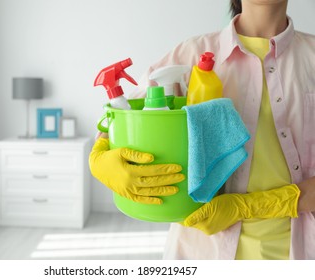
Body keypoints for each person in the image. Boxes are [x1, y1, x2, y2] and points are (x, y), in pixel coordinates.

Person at [89, 0, 315, 259]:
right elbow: (124, 119)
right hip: (202, 252)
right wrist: (99, 158)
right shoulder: (187, 56)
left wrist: (249, 206)